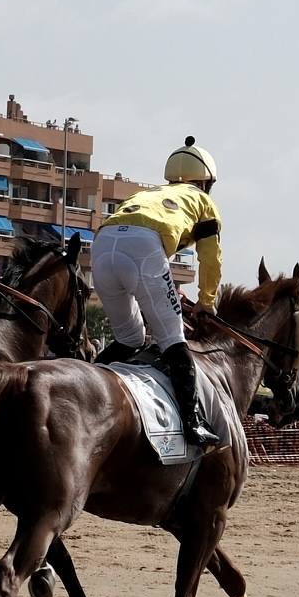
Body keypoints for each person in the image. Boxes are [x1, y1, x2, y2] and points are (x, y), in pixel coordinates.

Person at [93, 137, 223, 446]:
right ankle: (193, 425)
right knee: (173, 339)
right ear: (206, 181)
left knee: (129, 339)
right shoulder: (204, 202)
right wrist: (207, 302)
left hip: (101, 244)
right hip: (143, 247)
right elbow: (211, 257)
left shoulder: (150, 193)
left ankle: (85, 379)